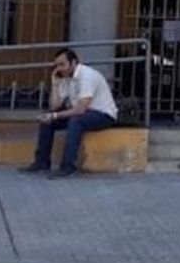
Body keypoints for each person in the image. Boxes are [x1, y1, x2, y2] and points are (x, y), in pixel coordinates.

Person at [21, 47, 118, 178]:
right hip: (83, 113)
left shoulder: (86, 75)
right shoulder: (65, 78)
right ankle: (41, 163)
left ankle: (68, 167)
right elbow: (54, 106)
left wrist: (55, 115)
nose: (59, 68)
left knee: (75, 121)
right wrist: (55, 84)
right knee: (48, 120)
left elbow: (80, 109)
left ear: (73, 63)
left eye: (62, 64)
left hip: (103, 115)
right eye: (57, 65)